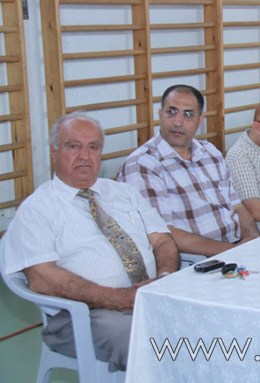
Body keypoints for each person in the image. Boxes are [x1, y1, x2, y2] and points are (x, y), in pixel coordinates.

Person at [0, 113, 180, 372]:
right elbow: (42, 279)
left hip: (146, 297)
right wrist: (120, 299)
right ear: (54, 152)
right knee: (156, 341)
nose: (84, 156)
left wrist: (164, 278)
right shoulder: (37, 209)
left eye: (93, 147)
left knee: (210, 322)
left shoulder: (124, 192)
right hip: (82, 315)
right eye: (73, 146)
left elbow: (162, 240)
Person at [118, 85, 259, 257]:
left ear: (199, 121)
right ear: (160, 114)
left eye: (188, 114)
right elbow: (163, 234)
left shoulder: (210, 153)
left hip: (237, 249)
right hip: (199, 261)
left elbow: (237, 207)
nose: (178, 122)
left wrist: (253, 239)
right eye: (171, 112)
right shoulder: (143, 165)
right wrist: (235, 253)